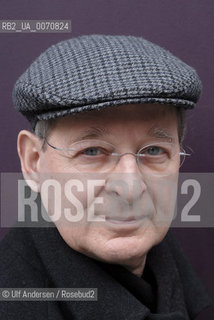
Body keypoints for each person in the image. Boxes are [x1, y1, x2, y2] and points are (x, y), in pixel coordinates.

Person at [0, 34, 212, 319]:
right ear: (34, 162)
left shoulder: (170, 269)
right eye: (92, 151)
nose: (130, 187)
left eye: (153, 150)